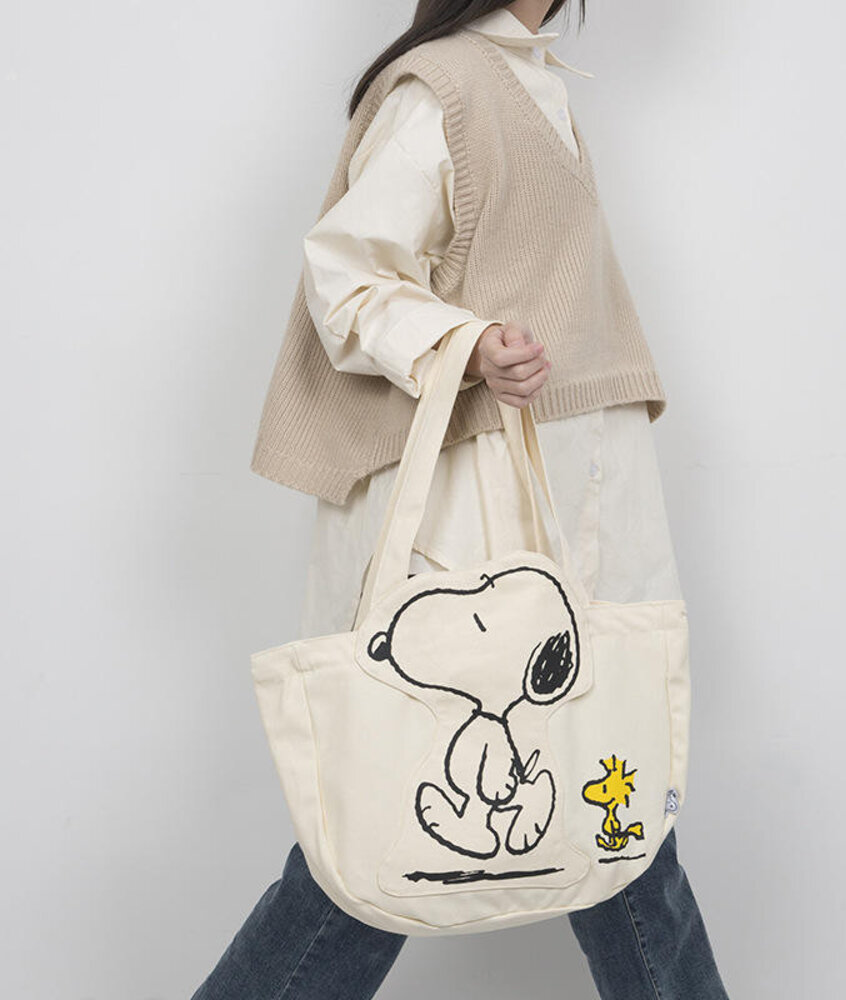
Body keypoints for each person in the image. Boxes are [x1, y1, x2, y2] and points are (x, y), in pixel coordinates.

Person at [193, 2, 730, 997]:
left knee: (609, 821)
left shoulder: (532, 82)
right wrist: (468, 342)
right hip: (480, 533)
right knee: (389, 852)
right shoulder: (446, 86)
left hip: (564, 524)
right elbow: (346, 277)